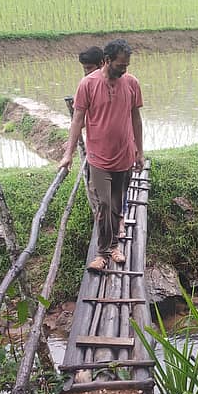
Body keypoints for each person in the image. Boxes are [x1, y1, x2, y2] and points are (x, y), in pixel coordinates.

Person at [60, 39, 144, 271]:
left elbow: (136, 118)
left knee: (116, 206)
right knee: (104, 205)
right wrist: (68, 154)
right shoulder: (87, 84)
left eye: (126, 65)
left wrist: (140, 151)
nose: (124, 69)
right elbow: (77, 120)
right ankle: (101, 253)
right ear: (106, 61)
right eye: (120, 65)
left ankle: (115, 247)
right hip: (99, 158)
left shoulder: (131, 83)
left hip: (125, 156)